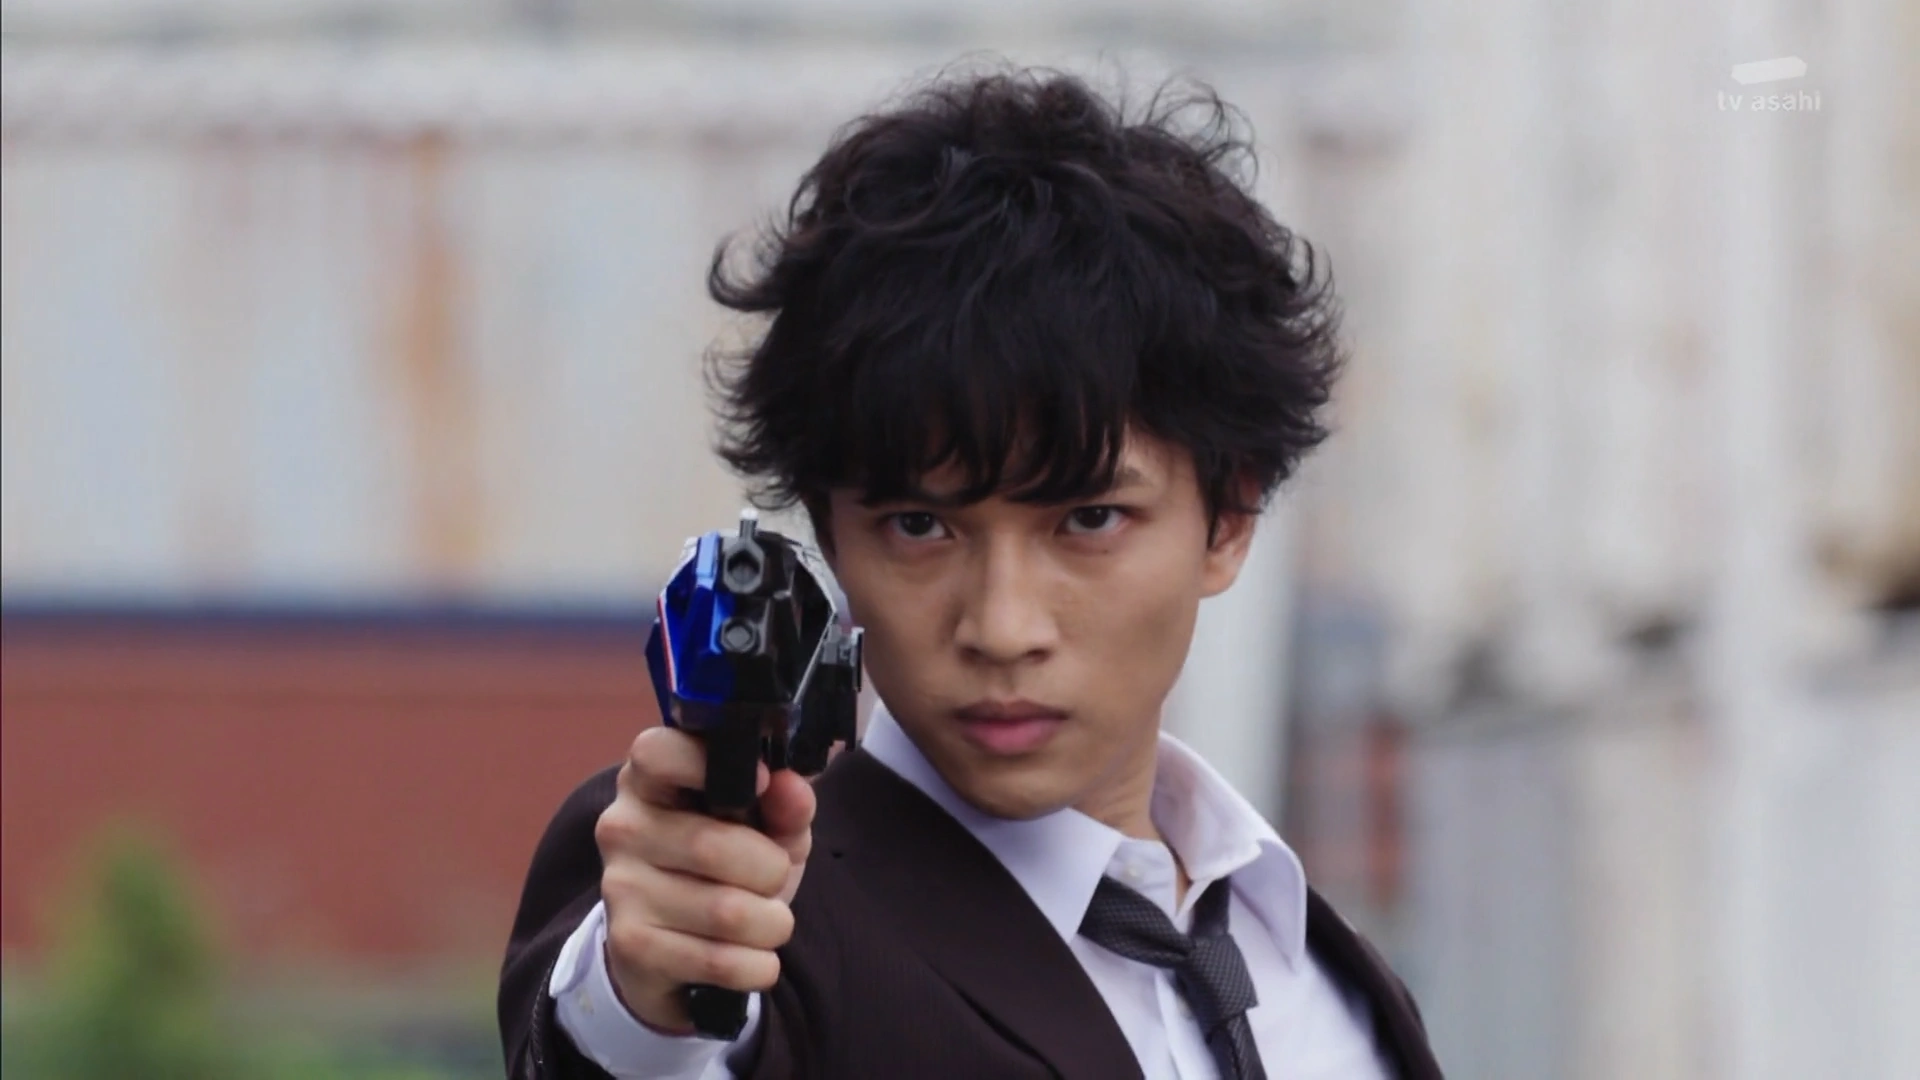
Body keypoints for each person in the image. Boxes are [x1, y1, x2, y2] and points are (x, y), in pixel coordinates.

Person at [499, 64, 1442, 1080]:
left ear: (1230, 518)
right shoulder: (768, 919)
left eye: (1088, 519)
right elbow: (633, 1039)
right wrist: (643, 996)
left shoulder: (1327, 980)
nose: (1001, 627)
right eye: (920, 526)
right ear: (830, 534)